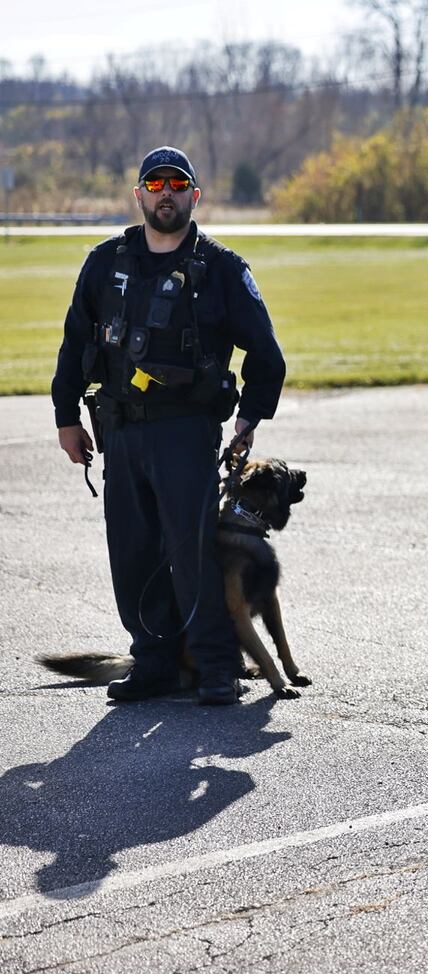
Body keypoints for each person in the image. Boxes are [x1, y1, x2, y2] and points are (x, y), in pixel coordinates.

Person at [51, 146, 286, 706]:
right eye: (155, 184)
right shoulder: (105, 263)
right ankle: (153, 662)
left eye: (177, 184)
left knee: (193, 554)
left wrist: (249, 418)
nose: (166, 193)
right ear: (139, 195)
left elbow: (267, 356)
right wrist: (66, 418)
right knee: (132, 552)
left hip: (186, 433)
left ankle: (215, 668)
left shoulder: (222, 269)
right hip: (122, 432)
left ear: (193, 196)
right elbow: (75, 344)